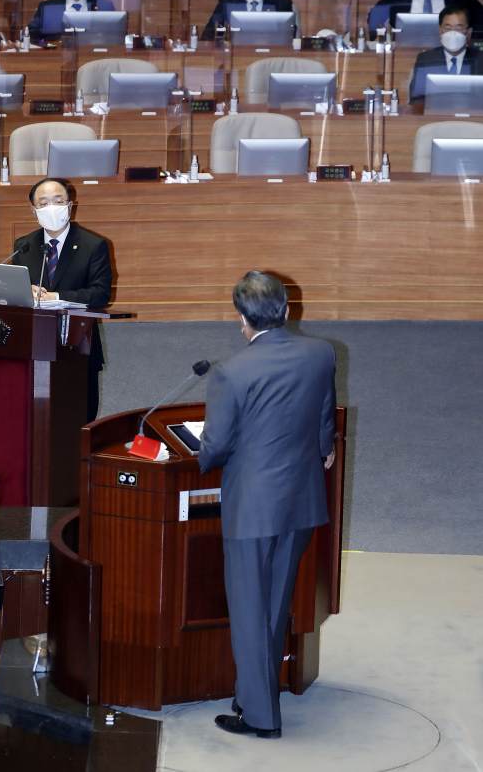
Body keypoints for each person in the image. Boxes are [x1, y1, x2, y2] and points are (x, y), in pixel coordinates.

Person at [198, 271, 336, 738]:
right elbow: (323, 423)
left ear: (241, 319)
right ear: (286, 309)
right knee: (275, 604)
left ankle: (259, 716)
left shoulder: (231, 371)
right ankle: (257, 691)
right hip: (301, 500)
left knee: (249, 610)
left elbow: (214, 448)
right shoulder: (320, 353)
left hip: (252, 508)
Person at [12, 177, 113, 422]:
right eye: (44, 203)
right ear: (34, 210)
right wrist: (27, 292)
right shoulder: (24, 245)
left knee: (78, 417)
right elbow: (16, 292)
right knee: (34, 418)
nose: (52, 208)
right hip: (35, 342)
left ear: (70, 206)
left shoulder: (93, 245)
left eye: (58, 202)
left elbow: (100, 294)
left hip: (77, 343)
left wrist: (56, 296)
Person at [409, 5, 483, 105]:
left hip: (472, 119)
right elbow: (416, 99)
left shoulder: (480, 60)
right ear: (440, 31)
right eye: (448, 29)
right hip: (435, 119)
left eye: (459, 28)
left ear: (469, 32)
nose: (453, 34)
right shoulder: (425, 60)